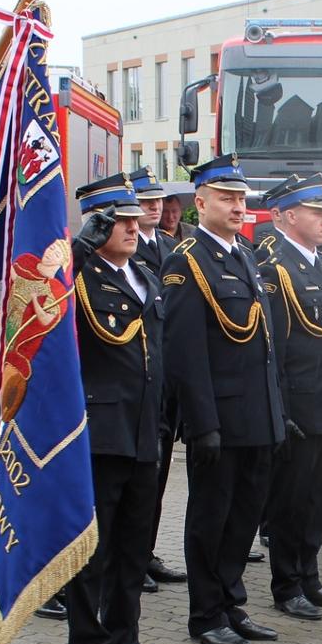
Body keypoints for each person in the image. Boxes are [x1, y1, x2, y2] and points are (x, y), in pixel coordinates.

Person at [160, 154, 287, 644]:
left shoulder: (244, 256)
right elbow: (185, 353)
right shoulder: (187, 261)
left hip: (257, 414)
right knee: (211, 518)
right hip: (220, 417)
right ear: (201, 202)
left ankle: (232, 603)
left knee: (244, 517)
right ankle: (206, 613)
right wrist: (202, 424)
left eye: (241, 198)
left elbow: (263, 345)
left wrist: (275, 411)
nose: (238, 207)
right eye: (227, 198)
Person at [63, 175, 171, 644]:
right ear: (97, 224)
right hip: (101, 431)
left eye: (133, 218)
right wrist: (79, 249)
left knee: (133, 547)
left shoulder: (145, 275)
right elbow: (39, 300)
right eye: (119, 220)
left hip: (144, 428)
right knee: (94, 552)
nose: (132, 227)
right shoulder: (79, 276)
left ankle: (125, 640)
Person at [255, 174, 322, 621]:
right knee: (292, 501)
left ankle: (310, 577)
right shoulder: (275, 269)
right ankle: (287, 585)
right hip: (300, 406)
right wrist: (281, 409)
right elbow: (274, 350)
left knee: (319, 499)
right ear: (288, 216)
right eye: (317, 213)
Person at [126, 166, 187, 596]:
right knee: (136, 481)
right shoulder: (123, 251)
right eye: (144, 200)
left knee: (158, 477)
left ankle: (145, 552)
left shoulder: (170, 247)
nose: (153, 206)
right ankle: (130, 558)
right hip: (138, 382)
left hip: (166, 382)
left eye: (157, 199)